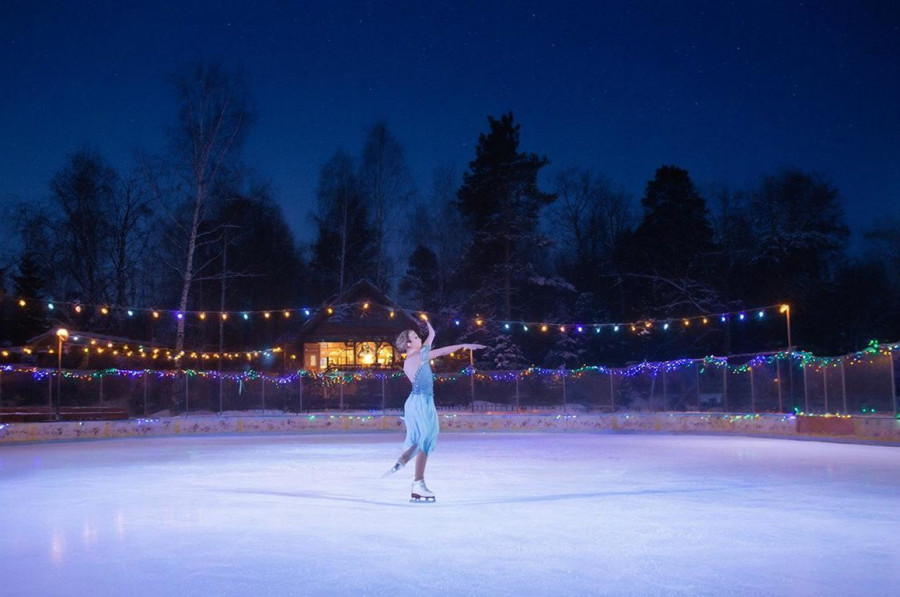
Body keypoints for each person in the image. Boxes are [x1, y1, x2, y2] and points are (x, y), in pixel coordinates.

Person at [384, 318, 485, 502]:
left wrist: (431, 333)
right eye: (415, 337)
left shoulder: (413, 358)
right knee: (427, 438)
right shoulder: (419, 357)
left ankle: (403, 460)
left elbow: (429, 343)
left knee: (424, 437)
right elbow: (442, 351)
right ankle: (418, 483)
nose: (419, 339)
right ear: (408, 344)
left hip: (418, 401)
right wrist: (463, 345)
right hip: (421, 401)